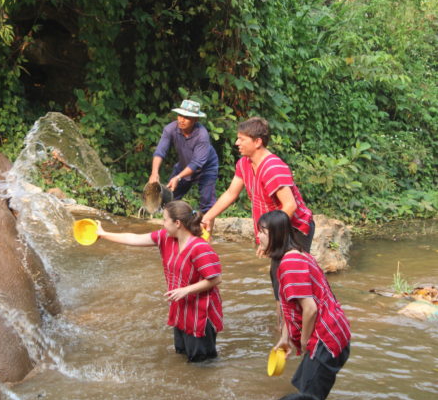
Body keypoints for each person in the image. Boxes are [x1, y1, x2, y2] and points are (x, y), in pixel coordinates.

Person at [201, 116, 314, 300]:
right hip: (275, 228)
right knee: (278, 277)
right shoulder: (244, 164)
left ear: (258, 142)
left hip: (294, 228)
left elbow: (290, 206)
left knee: (287, 279)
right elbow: (231, 193)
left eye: (242, 139)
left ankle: (296, 323)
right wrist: (208, 217)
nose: (237, 143)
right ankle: (285, 323)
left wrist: (270, 236)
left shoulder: (272, 167)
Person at [96, 200, 223, 362]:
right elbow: (134, 239)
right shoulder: (166, 238)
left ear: (177, 223)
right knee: (183, 358)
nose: (162, 224)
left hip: (201, 314)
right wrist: (104, 234)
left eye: (164, 220)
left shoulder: (200, 247)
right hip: (181, 309)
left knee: (203, 364)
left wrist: (186, 290)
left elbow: (216, 278)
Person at [258, 210, 351, 400]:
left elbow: (310, 308)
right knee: (302, 387)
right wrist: (285, 337)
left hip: (326, 337)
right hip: (333, 331)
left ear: (276, 235)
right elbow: (289, 307)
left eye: (263, 232)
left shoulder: (290, 263)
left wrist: (304, 340)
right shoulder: (297, 255)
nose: (258, 236)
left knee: (308, 396)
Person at [149, 99, 219, 212]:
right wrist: (154, 172)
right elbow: (160, 151)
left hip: (206, 167)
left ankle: (206, 226)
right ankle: (168, 226)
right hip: (184, 164)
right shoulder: (170, 129)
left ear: (195, 119)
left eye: (187, 117)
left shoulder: (202, 135)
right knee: (169, 199)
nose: (181, 120)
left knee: (207, 204)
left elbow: (196, 163)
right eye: (180, 115)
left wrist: (178, 177)